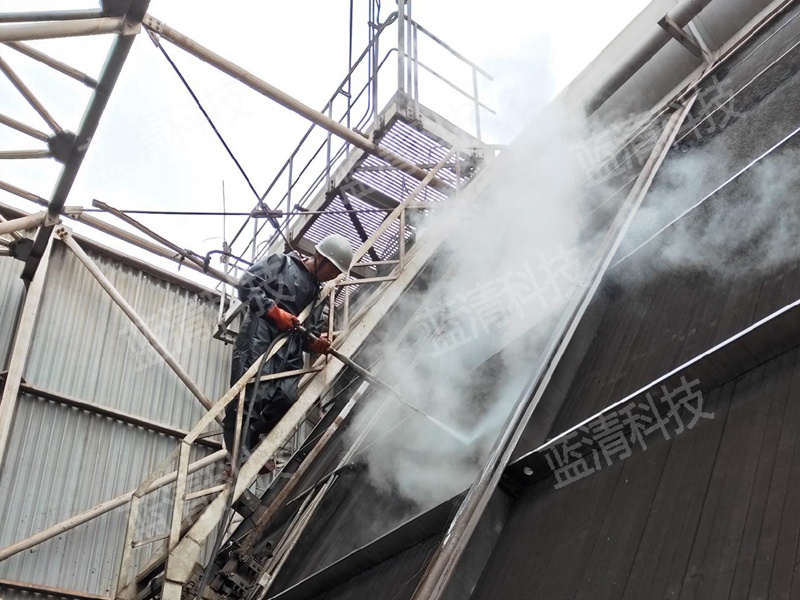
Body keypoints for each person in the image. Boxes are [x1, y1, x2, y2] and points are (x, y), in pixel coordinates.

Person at [223, 234, 353, 462]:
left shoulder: (316, 294)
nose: (330, 276)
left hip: (289, 348)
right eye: (330, 271)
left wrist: (315, 343)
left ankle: (250, 438)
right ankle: (238, 453)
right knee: (250, 392)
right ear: (319, 257)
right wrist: (274, 312)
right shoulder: (282, 263)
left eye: (334, 275)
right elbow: (246, 284)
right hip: (261, 332)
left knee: (286, 397)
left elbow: (308, 333)